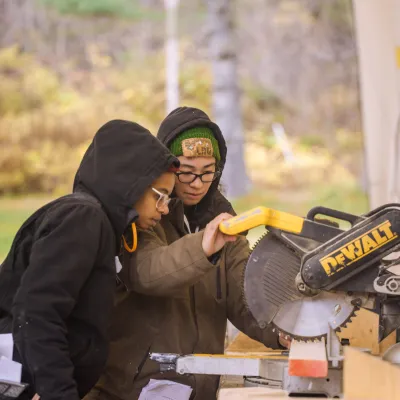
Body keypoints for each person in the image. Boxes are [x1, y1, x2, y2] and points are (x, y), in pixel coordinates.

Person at [85, 107, 285, 400]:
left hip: (199, 388)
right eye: (187, 172)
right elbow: (149, 271)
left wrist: (284, 328)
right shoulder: (142, 215)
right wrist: (203, 246)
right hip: (131, 389)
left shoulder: (224, 220)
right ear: (165, 166)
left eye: (207, 173)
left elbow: (247, 295)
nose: (197, 185)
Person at [0, 119, 181, 400]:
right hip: (23, 381)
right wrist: (56, 392)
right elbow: (36, 313)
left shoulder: (102, 226)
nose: (165, 209)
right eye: (160, 196)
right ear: (130, 183)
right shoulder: (83, 218)